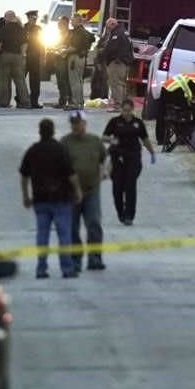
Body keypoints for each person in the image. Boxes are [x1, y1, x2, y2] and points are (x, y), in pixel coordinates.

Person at [20, 119, 83, 279]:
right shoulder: (60, 150)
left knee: (42, 235)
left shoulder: (33, 151)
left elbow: (24, 175)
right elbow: (71, 174)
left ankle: (41, 269)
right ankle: (67, 268)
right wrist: (77, 191)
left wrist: (26, 196)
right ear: (53, 131)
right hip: (61, 199)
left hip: (41, 199)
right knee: (64, 235)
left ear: (40, 132)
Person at [61, 110, 107, 272]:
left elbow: (105, 159)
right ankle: (76, 259)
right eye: (73, 123)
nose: (76, 126)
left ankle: (95, 257)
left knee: (94, 223)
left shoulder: (94, 141)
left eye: (79, 123)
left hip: (91, 190)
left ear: (85, 124)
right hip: (71, 193)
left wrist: (105, 172)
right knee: (72, 227)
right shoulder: (65, 143)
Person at [102, 98, 156, 225]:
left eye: (128, 111)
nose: (126, 113)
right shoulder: (115, 122)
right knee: (117, 188)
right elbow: (104, 137)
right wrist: (112, 141)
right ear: (121, 110)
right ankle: (121, 212)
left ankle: (129, 215)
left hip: (133, 157)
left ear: (132, 110)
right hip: (117, 157)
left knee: (130, 186)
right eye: (124, 110)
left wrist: (152, 152)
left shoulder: (138, 123)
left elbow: (145, 139)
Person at [0, 10, 30, 109]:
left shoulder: (3, 29)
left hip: (5, 56)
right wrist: (23, 55)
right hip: (18, 56)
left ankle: (2, 103)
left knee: (3, 80)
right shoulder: (21, 30)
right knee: (20, 80)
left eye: (5, 17)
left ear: (7, 18)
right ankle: (25, 102)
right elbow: (25, 44)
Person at [99, 17, 134, 111]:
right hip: (125, 62)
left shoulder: (117, 34)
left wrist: (103, 53)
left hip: (117, 62)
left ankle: (118, 105)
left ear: (112, 24)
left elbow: (111, 49)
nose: (108, 29)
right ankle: (123, 105)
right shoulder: (125, 32)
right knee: (122, 84)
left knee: (116, 83)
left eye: (108, 27)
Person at [67, 14, 95, 109]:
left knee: (74, 82)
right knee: (78, 81)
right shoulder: (84, 31)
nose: (71, 22)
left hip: (75, 58)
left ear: (78, 21)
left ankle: (76, 103)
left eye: (73, 20)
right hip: (81, 58)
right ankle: (79, 102)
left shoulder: (78, 32)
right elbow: (93, 38)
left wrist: (63, 51)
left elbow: (74, 47)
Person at [24, 10, 45, 109]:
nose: (35, 20)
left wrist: (43, 56)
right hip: (25, 56)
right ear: (28, 18)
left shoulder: (38, 28)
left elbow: (42, 43)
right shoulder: (23, 28)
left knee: (35, 81)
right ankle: (21, 100)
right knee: (21, 80)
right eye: (33, 18)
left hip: (35, 57)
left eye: (36, 18)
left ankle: (34, 101)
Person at [53, 16, 72, 108]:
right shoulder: (58, 34)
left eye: (61, 24)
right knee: (60, 81)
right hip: (58, 59)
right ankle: (62, 101)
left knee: (66, 81)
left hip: (66, 60)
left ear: (66, 24)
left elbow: (72, 46)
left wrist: (63, 48)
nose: (59, 25)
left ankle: (69, 101)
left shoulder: (71, 34)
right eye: (58, 24)